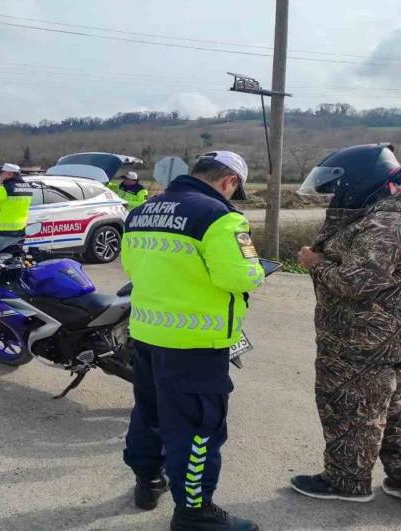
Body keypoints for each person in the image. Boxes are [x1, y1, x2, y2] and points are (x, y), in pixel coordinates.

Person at [290, 143, 401, 503]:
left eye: (337, 188)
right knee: (393, 406)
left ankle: (345, 482)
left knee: (351, 411)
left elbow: (357, 283)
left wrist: (315, 261)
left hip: (361, 339)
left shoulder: (385, 223)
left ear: (359, 180)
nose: (335, 196)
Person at [121, 151, 265, 531]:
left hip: (148, 333)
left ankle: (147, 482)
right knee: (200, 428)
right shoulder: (221, 217)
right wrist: (255, 268)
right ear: (229, 181)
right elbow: (242, 277)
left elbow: (131, 268)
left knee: (149, 413)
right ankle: (195, 513)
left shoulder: (142, 212)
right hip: (197, 343)